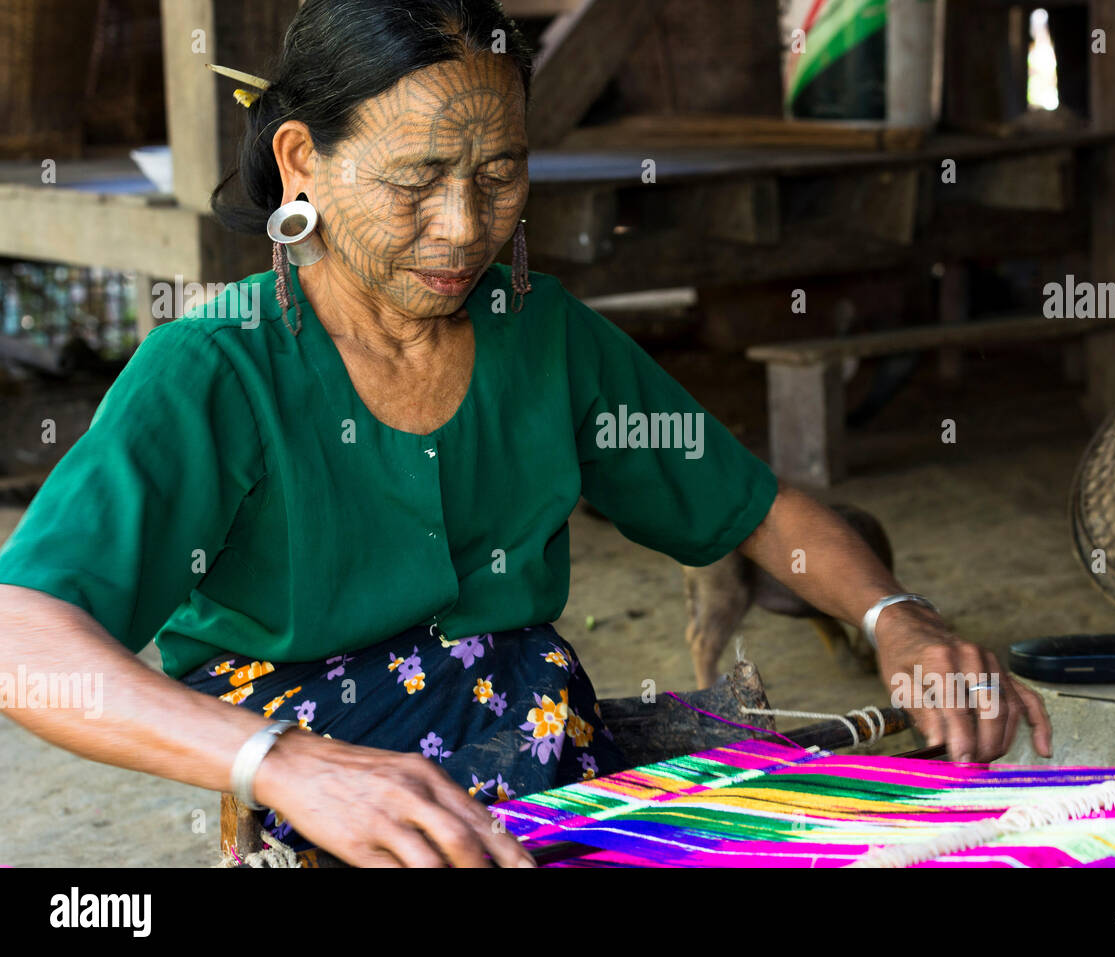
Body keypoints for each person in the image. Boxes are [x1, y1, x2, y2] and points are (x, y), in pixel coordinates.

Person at [0, 0, 1050, 868]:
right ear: (300, 163)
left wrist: (894, 618)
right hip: (327, 808)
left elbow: (757, 510)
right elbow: (23, 636)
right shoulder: (218, 369)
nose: (464, 226)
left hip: (538, 776)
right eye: (415, 180)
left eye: (499, 175)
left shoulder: (542, 338)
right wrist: (278, 762)